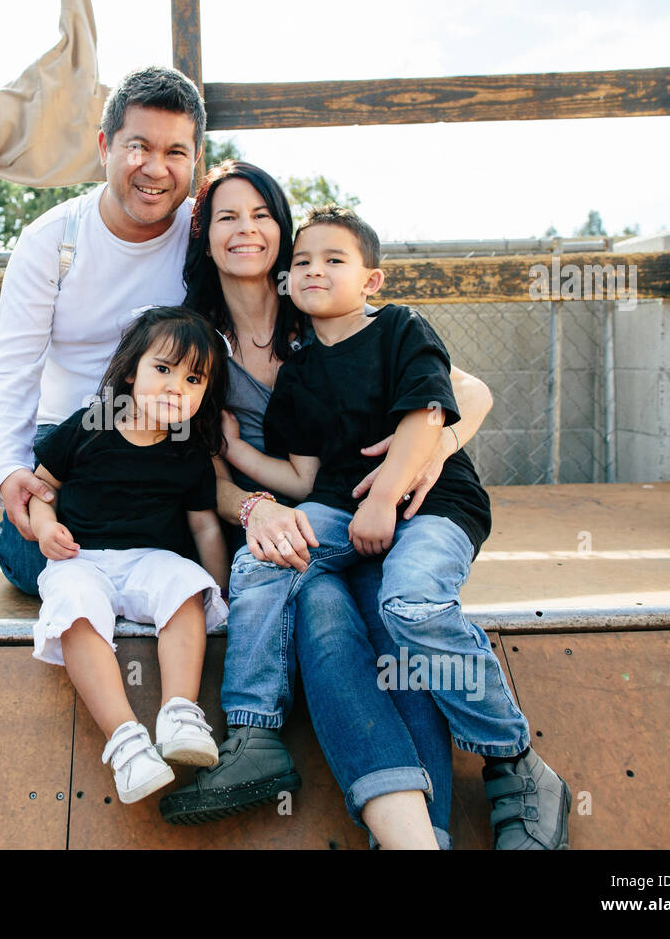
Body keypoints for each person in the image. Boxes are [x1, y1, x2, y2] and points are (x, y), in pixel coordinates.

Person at [216, 203, 572, 850]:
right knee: (264, 560)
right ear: (286, 282)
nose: (313, 270)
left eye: (334, 259)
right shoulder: (298, 372)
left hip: (431, 505)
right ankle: (253, 731)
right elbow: (300, 478)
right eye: (301, 262)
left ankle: (514, 760)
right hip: (338, 504)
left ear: (371, 280)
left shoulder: (401, 329)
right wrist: (238, 455)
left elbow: (427, 416)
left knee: (409, 603)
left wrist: (383, 498)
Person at [159, 162, 490, 849]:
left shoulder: (324, 307)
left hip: (367, 512)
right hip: (291, 530)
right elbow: (198, 474)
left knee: (395, 631)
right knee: (327, 616)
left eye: (261, 215)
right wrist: (255, 510)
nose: (246, 229)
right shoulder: (195, 343)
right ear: (205, 235)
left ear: (283, 231)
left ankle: (425, 832)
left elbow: (470, 391)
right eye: (226, 216)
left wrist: (419, 464)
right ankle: (397, 831)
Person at [0, 66, 204, 595]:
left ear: (196, 158)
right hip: (68, 438)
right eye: (138, 147)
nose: (155, 168)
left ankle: (131, 582)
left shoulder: (206, 233)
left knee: (212, 552)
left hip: (172, 436)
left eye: (176, 151)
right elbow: (14, 367)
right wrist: (8, 472)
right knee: (33, 553)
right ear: (104, 145)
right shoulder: (52, 240)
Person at [29, 307, 231, 804]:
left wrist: (221, 589)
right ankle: (126, 743)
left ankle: (180, 713)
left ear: (205, 394)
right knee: (74, 612)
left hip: (150, 561)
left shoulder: (188, 450)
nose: (174, 386)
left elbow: (204, 524)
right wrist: (45, 527)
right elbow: (41, 488)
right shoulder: (87, 428)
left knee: (185, 585)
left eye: (193, 378)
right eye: (162, 369)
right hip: (82, 559)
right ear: (130, 371)